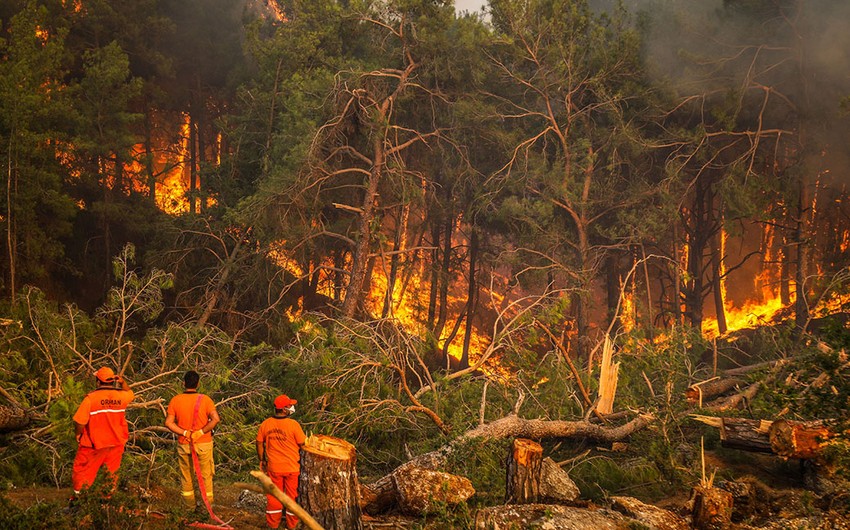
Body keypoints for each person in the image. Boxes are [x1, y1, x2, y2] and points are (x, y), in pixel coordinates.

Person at [71, 366, 134, 498]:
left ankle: (78, 503)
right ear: (113, 381)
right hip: (116, 443)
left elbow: (80, 422)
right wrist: (122, 383)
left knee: (82, 472)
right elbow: (131, 393)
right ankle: (107, 503)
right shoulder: (121, 397)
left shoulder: (90, 399)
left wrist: (78, 434)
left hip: (94, 445)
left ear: (98, 382)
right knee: (110, 475)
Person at [165, 370, 220, 510]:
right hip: (204, 443)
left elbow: (169, 423)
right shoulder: (206, 400)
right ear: (198, 384)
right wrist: (201, 432)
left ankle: (189, 508)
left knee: (186, 476)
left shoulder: (175, 400)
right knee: (206, 476)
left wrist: (184, 432)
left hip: (184, 444)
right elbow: (215, 419)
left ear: (183, 383)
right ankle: (208, 508)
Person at [256, 394, 306, 529]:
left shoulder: (266, 424)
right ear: (284, 409)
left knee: (274, 497)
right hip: (292, 468)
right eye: (290, 406)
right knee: (292, 497)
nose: (292, 407)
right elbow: (303, 444)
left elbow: (259, 442)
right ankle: (292, 525)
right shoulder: (293, 425)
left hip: (274, 468)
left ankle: (272, 525)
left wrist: (262, 460)